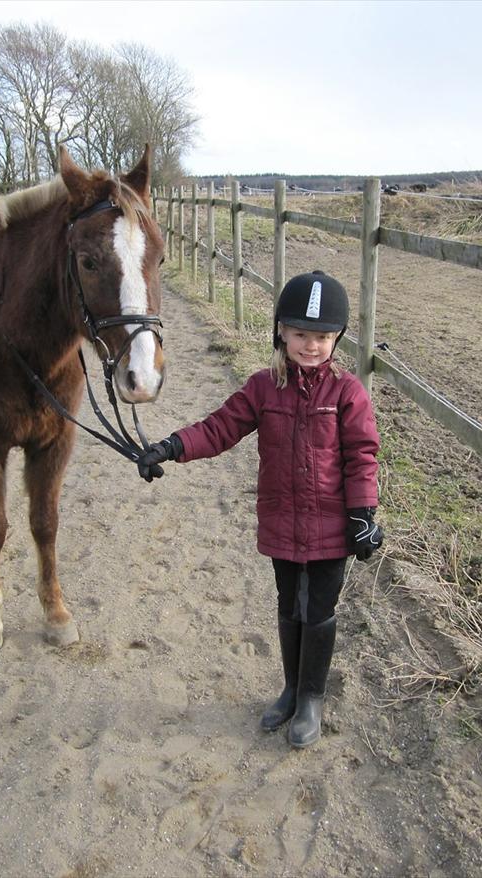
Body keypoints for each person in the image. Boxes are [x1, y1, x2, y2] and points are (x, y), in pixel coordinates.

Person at [137, 270, 382, 748]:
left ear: (337, 339)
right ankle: (291, 689)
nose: (311, 346)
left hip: (332, 525)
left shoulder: (348, 393)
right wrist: (170, 447)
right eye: (300, 335)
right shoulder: (262, 388)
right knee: (290, 605)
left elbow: (362, 456)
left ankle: (312, 697)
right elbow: (219, 428)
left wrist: (362, 515)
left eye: (322, 337)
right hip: (281, 522)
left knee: (320, 609)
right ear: (281, 333)